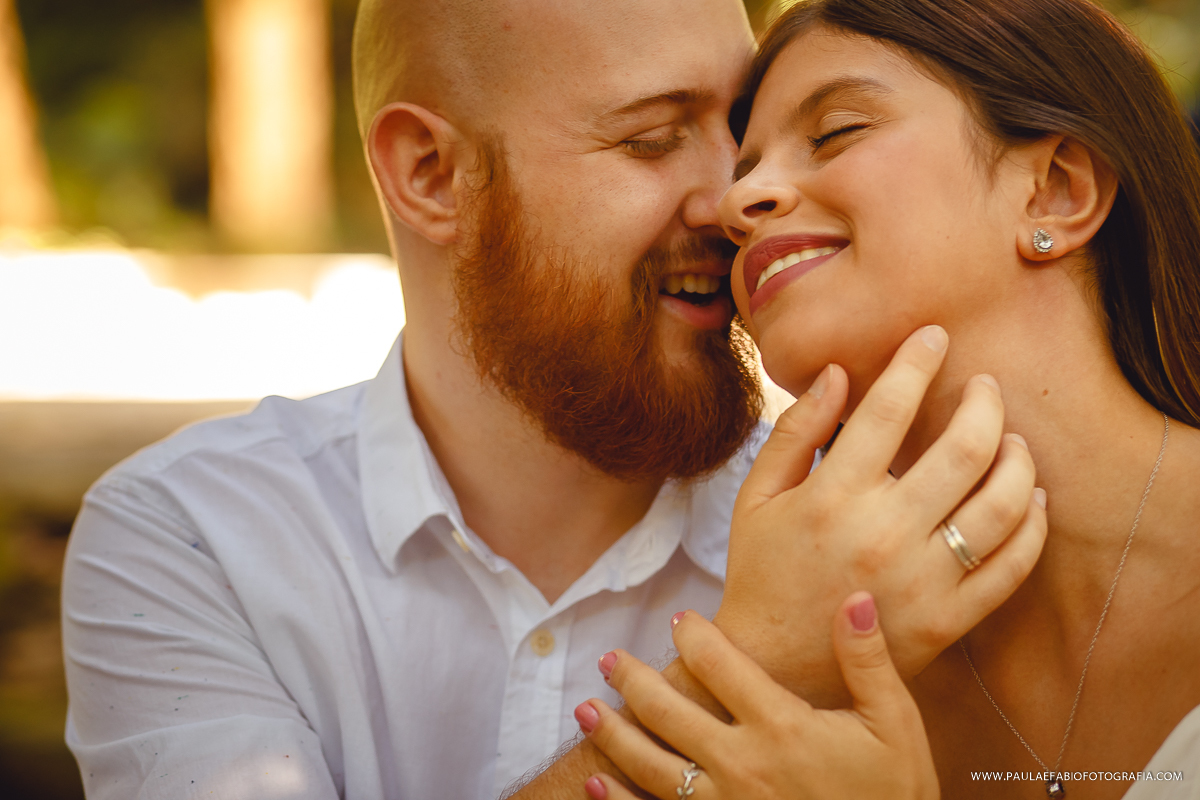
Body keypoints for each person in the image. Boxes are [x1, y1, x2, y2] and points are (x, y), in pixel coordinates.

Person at [60, 1, 1042, 798]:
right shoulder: (193, 537)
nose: (735, 198)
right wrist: (761, 661)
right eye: (652, 139)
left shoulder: (891, 535)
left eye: (740, 131)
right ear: (430, 174)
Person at [575, 0, 1200, 798]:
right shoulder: (802, 664)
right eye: (744, 171)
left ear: (1054, 193)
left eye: (835, 132)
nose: (736, 203)